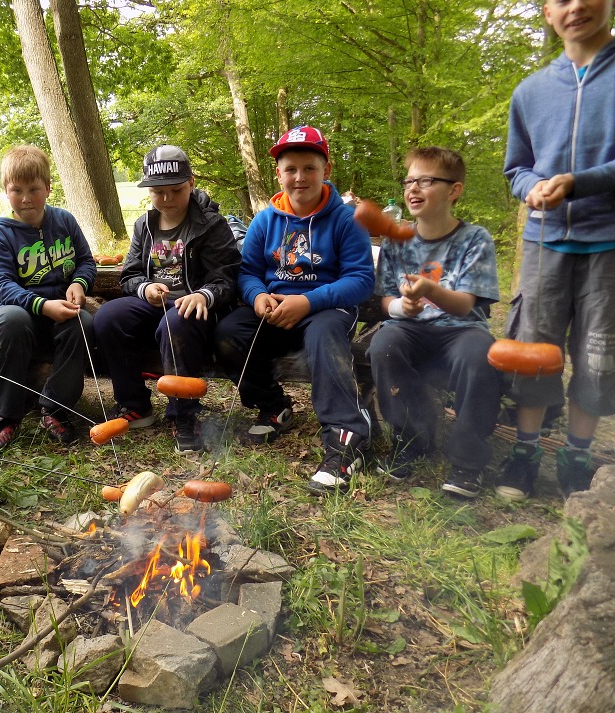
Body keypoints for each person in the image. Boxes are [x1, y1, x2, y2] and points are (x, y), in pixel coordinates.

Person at [496, 0, 614, 501]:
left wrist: (578, 182)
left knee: (598, 352)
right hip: (544, 241)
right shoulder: (531, 91)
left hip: (608, 242)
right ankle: (525, 451)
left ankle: (577, 456)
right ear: (547, 13)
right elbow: (516, 167)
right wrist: (530, 188)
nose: (578, 6)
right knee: (533, 352)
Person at [214, 126, 374, 494]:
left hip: (326, 309)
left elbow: (361, 279)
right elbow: (249, 272)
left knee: (323, 334)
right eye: (291, 169)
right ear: (278, 174)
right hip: (275, 309)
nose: (299, 177)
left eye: (309, 168)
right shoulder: (265, 220)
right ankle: (273, 407)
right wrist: (256, 297)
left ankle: (344, 440)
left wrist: (308, 301)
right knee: (228, 333)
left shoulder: (347, 220)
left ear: (326, 170)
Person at [369, 147, 502, 498]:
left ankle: (467, 460)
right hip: (411, 329)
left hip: (461, 329)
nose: (413, 188)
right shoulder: (397, 240)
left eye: (426, 181)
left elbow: (464, 306)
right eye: (409, 180)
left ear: (454, 190)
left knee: (480, 356)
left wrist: (430, 289)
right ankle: (413, 438)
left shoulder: (475, 239)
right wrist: (401, 306)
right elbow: (385, 301)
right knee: (383, 345)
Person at [93, 145, 240, 453]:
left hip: (195, 310)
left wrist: (205, 294)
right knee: (108, 317)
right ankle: (134, 405)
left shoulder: (210, 225)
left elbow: (227, 277)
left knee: (176, 322)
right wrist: (145, 288)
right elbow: (130, 275)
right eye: (159, 192)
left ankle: (184, 415)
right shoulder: (144, 226)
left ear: (191, 183)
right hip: (154, 304)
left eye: (176, 190)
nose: (168, 199)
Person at [0, 145, 96, 447]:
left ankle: (55, 408)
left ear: (47, 188)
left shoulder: (65, 221)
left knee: (82, 321)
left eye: (34, 189)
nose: (25, 198)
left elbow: (86, 261)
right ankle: (7, 414)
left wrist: (80, 284)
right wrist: (41, 305)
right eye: (16, 190)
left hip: (61, 312)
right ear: (5, 192)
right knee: (10, 319)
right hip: (23, 316)